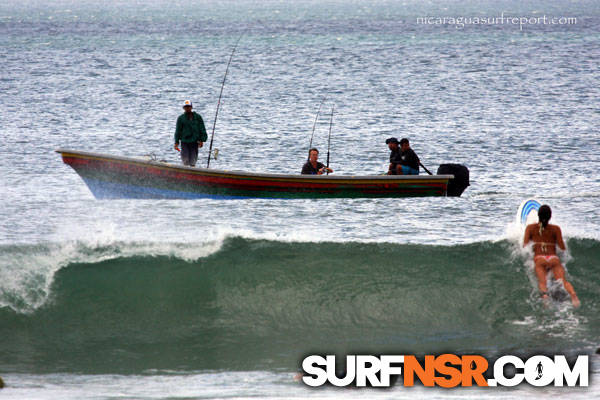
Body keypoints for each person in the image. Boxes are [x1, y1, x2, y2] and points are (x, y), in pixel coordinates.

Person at [523, 205, 580, 307]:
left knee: (542, 282)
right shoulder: (556, 229)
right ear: (550, 216)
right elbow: (562, 247)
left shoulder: (530, 228)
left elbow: (525, 245)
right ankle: (573, 295)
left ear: (538, 216)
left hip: (540, 259)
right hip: (553, 259)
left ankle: (545, 298)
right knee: (563, 281)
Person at [174, 100, 207, 167]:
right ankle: (185, 172)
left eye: (188, 107)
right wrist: (176, 142)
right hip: (184, 142)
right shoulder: (181, 118)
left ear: (191, 107)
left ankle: (193, 170)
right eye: (186, 107)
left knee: (193, 160)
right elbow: (178, 131)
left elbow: (202, 128)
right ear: (183, 108)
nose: (187, 108)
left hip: (195, 142)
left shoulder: (198, 117)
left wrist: (202, 140)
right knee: (185, 160)